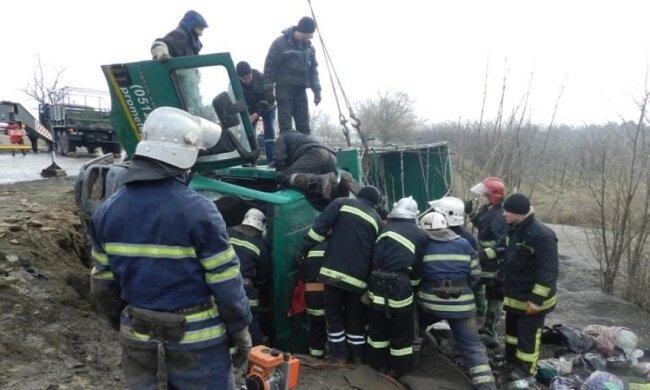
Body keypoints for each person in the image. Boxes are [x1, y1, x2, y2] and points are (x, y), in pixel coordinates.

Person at [89, 107, 252, 389]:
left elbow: (102, 285)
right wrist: (240, 328)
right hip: (197, 344)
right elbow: (226, 283)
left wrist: (124, 320)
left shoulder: (107, 211)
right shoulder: (201, 211)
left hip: (137, 333)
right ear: (184, 156)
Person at [302, 186, 383, 363]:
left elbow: (318, 230)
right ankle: (358, 356)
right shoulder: (377, 220)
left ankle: (338, 355)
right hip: (359, 281)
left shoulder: (341, 204)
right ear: (375, 204)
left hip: (333, 274)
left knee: (333, 316)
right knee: (355, 319)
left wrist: (304, 248)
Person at [416, 212, 496, 389]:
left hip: (430, 303)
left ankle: (413, 365)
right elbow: (476, 275)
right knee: (473, 347)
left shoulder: (422, 245)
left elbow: (417, 275)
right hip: (463, 304)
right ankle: (486, 386)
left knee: (413, 328)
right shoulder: (464, 243)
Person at [366, 196, 429, 377]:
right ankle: (399, 369)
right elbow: (418, 268)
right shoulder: (420, 234)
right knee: (401, 330)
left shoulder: (383, 228)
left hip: (375, 283)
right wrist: (415, 288)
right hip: (401, 286)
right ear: (414, 216)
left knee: (377, 327)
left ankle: (376, 364)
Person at [501, 193, 558, 386]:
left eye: (507, 211)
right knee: (511, 331)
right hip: (516, 294)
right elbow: (509, 254)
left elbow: (548, 271)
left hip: (532, 299)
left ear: (519, 212)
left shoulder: (542, 235)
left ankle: (526, 371)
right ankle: (511, 361)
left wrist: (536, 300)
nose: (504, 214)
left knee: (528, 336)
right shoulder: (516, 229)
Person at [264, 16, 321, 134]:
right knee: (286, 127)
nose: (312, 37)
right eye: (310, 34)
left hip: (300, 91)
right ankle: (287, 151)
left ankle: (305, 151)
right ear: (304, 32)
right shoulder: (279, 44)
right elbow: (270, 67)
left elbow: (313, 70)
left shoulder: (309, 48)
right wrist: (268, 90)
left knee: (304, 126)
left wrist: (317, 90)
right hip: (284, 90)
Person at [468, 177, 507, 347]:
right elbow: (483, 227)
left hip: (495, 264)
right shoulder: (487, 209)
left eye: (484, 194)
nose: (480, 197)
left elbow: (501, 245)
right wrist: (470, 214)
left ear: (494, 196)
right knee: (476, 284)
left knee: (494, 296)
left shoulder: (500, 216)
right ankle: (479, 313)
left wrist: (483, 254)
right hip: (484, 259)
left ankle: (490, 331)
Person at [227, 208, 272, 346]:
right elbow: (263, 274)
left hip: (220, 283)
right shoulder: (260, 245)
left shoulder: (227, 232)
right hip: (245, 288)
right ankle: (257, 355)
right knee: (250, 320)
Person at [274, 129, 343, 208]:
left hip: (314, 154)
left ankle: (322, 181)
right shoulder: (301, 136)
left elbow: (279, 160)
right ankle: (342, 190)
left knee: (283, 176)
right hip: (331, 156)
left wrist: (281, 182)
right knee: (328, 192)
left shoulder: (282, 137)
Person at [236, 61, 277, 163]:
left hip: (268, 106)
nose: (248, 80)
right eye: (244, 79)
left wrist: (256, 115)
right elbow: (238, 101)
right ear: (239, 78)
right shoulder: (236, 85)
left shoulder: (261, 78)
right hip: (250, 109)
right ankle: (251, 159)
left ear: (252, 73)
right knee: (249, 132)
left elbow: (269, 99)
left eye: (249, 77)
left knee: (269, 129)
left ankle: (272, 159)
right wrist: (248, 115)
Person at [299, 241, 328, 358]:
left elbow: (302, 275)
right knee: (335, 325)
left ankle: (315, 356)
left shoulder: (311, 249)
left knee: (316, 326)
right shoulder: (336, 246)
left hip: (312, 295)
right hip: (330, 294)